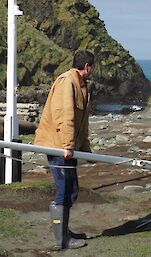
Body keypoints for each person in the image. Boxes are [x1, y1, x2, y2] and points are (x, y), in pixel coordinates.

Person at [34, 50, 95, 249]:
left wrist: (86, 150)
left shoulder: (82, 86)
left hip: (68, 146)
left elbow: (81, 123)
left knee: (72, 190)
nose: (93, 70)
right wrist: (68, 145)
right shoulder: (66, 82)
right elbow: (65, 116)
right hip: (58, 145)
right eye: (93, 67)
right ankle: (62, 240)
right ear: (87, 66)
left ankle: (64, 230)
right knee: (65, 189)